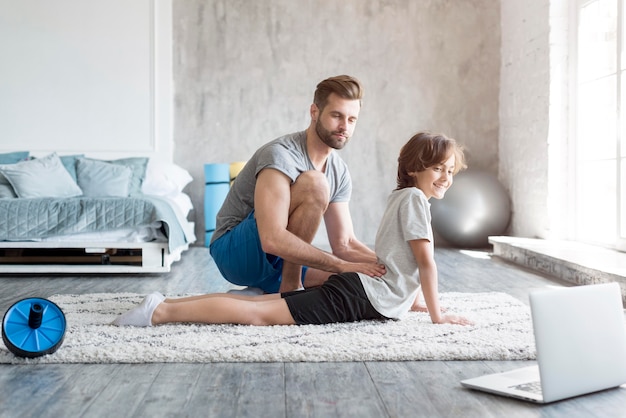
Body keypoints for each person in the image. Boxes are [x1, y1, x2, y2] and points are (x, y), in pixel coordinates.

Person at [112, 132, 474, 327]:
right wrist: (438, 314)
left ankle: (164, 303)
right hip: (358, 295)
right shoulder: (415, 202)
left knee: (266, 302)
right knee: (262, 314)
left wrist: (414, 303)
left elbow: (399, 268)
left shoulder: (404, 197)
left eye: (450, 170)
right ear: (414, 168)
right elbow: (426, 265)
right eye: (437, 168)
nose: (445, 177)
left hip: (365, 290)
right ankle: (160, 313)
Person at [209, 75, 385, 294]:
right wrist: (340, 264)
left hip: (279, 262)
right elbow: (272, 239)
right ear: (314, 112)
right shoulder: (281, 155)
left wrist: (391, 265)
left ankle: (259, 294)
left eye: (351, 120)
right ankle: (291, 288)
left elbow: (345, 244)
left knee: (362, 280)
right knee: (316, 183)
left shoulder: (338, 170)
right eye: (336, 116)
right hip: (234, 253)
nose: (344, 127)